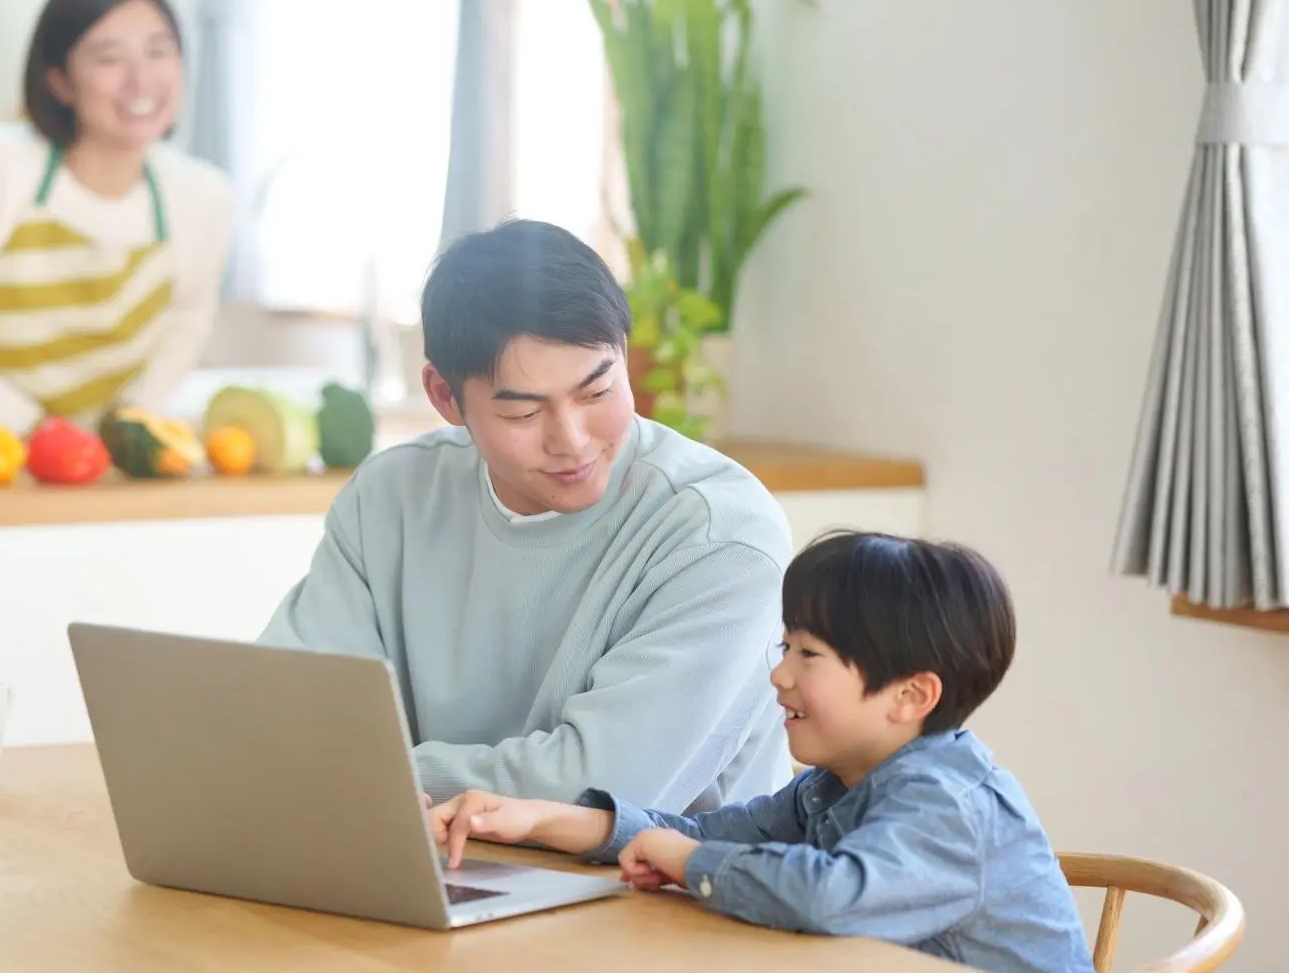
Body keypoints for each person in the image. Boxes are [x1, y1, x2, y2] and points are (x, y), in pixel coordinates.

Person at [257, 219, 795, 812]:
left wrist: (373, 777)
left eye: (597, 393)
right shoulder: (389, 498)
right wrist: (338, 770)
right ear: (443, 396)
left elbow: (605, 789)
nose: (573, 441)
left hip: (656, 892)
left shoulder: (720, 533)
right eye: (523, 414)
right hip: (435, 865)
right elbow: (292, 713)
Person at [426, 531, 1093, 973]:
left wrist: (689, 863)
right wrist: (534, 819)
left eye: (810, 654)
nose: (780, 674)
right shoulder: (834, 785)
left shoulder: (946, 804)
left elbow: (831, 896)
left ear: (910, 695)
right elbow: (699, 834)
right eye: (785, 648)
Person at [0, 0, 233, 438]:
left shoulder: (203, 197)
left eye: (159, 52)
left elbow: (187, 326)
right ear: (59, 81)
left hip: (84, 472)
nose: (141, 80)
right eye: (109, 58)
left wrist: (128, 428)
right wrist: (36, 433)